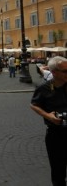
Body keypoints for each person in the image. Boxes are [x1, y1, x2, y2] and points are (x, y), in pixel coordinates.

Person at [30, 56, 67, 186]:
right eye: (65, 71)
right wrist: (48, 116)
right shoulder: (43, 88)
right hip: (55, 135)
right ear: (54, 72)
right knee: (58, 171)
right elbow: (34, 105)